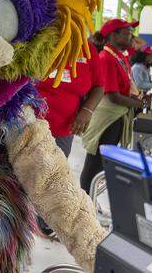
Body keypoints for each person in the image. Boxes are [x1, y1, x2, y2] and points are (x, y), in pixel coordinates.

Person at [35, 39, 104, 237]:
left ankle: (42, 221)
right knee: (26, 172)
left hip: (64, 127)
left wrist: (87, 111)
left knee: (53, 175)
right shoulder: (42, 38)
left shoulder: (87, 48)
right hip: (29, 122)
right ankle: (21, 223)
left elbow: (99, 86)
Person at [80, 19, 147, 193]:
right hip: (108, 118)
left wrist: (139, 100)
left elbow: (141, 46)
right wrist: (139, 103)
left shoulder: (119, 56)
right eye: (126, 33)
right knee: (94, 163)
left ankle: (90, 198)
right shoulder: (106, 58)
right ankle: (86, 199)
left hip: (116, 117)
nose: (131, 37)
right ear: (113, 35)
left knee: (102, 162)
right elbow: (114, 96)